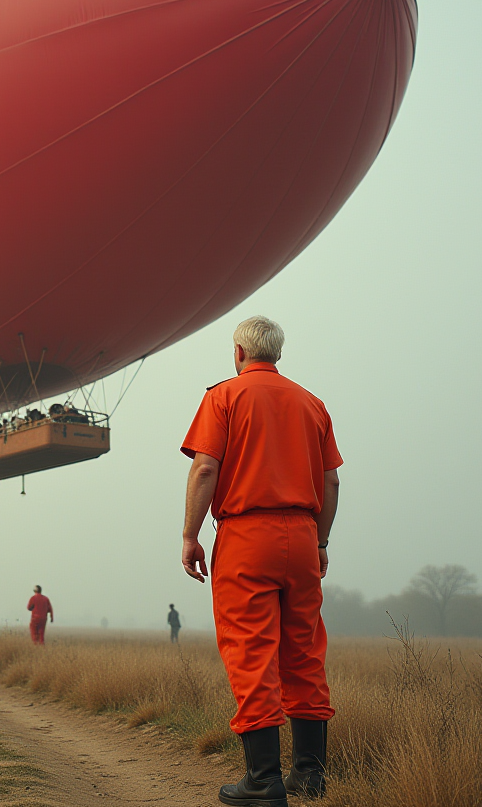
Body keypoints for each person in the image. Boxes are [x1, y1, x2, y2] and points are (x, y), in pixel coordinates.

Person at [180, 316, 340, 804]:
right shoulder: (312, 404)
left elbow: (206, 467)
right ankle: (310, 774)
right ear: (277, 354)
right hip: (303, 532)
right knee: (305, 651)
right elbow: (331, 482)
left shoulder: (223, 397)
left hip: (247, 534)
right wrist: (320, 544)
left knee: (251, 650)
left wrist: (190, 535)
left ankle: (263, 779)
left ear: (238, 352)